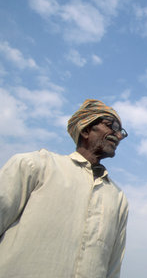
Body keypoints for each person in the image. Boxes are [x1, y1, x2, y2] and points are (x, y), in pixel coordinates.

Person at [0, 99, 129, 278]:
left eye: (121, 131)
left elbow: (113, 268)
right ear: (85, 129)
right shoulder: (35, 166)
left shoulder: (117, 198)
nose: (119, 135)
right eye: (112, 125)